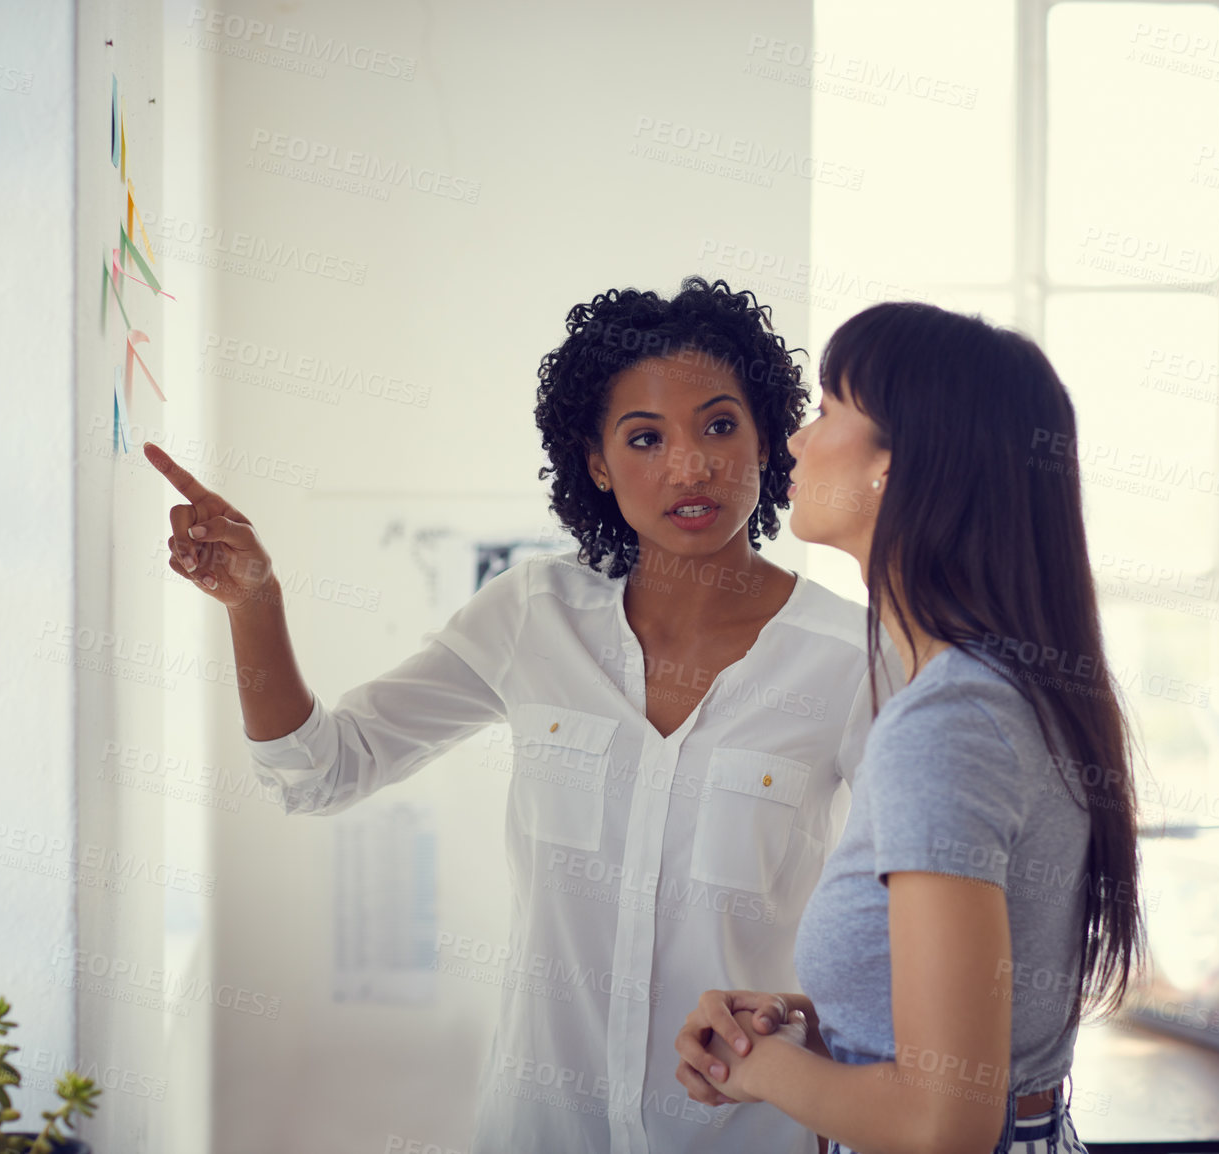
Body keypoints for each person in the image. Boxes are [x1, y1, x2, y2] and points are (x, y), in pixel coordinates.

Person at [147, 277, 893, 1153]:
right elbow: (319, 771)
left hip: (747, 1135)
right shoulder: (531, 616)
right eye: (645, 438)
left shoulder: (853, 660)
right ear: (596, 463)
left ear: (768, 435)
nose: (690, 466)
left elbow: (898, 940)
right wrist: (253, 603)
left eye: (720, 425)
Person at [673, 301, 1144, 1154]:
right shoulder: (1005, 689)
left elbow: (942, 1124)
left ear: (902, 464)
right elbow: (962, 1041)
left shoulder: (949, 723)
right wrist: (803, 1027)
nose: (796, 443)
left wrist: (755, 1068)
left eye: (826, 412)